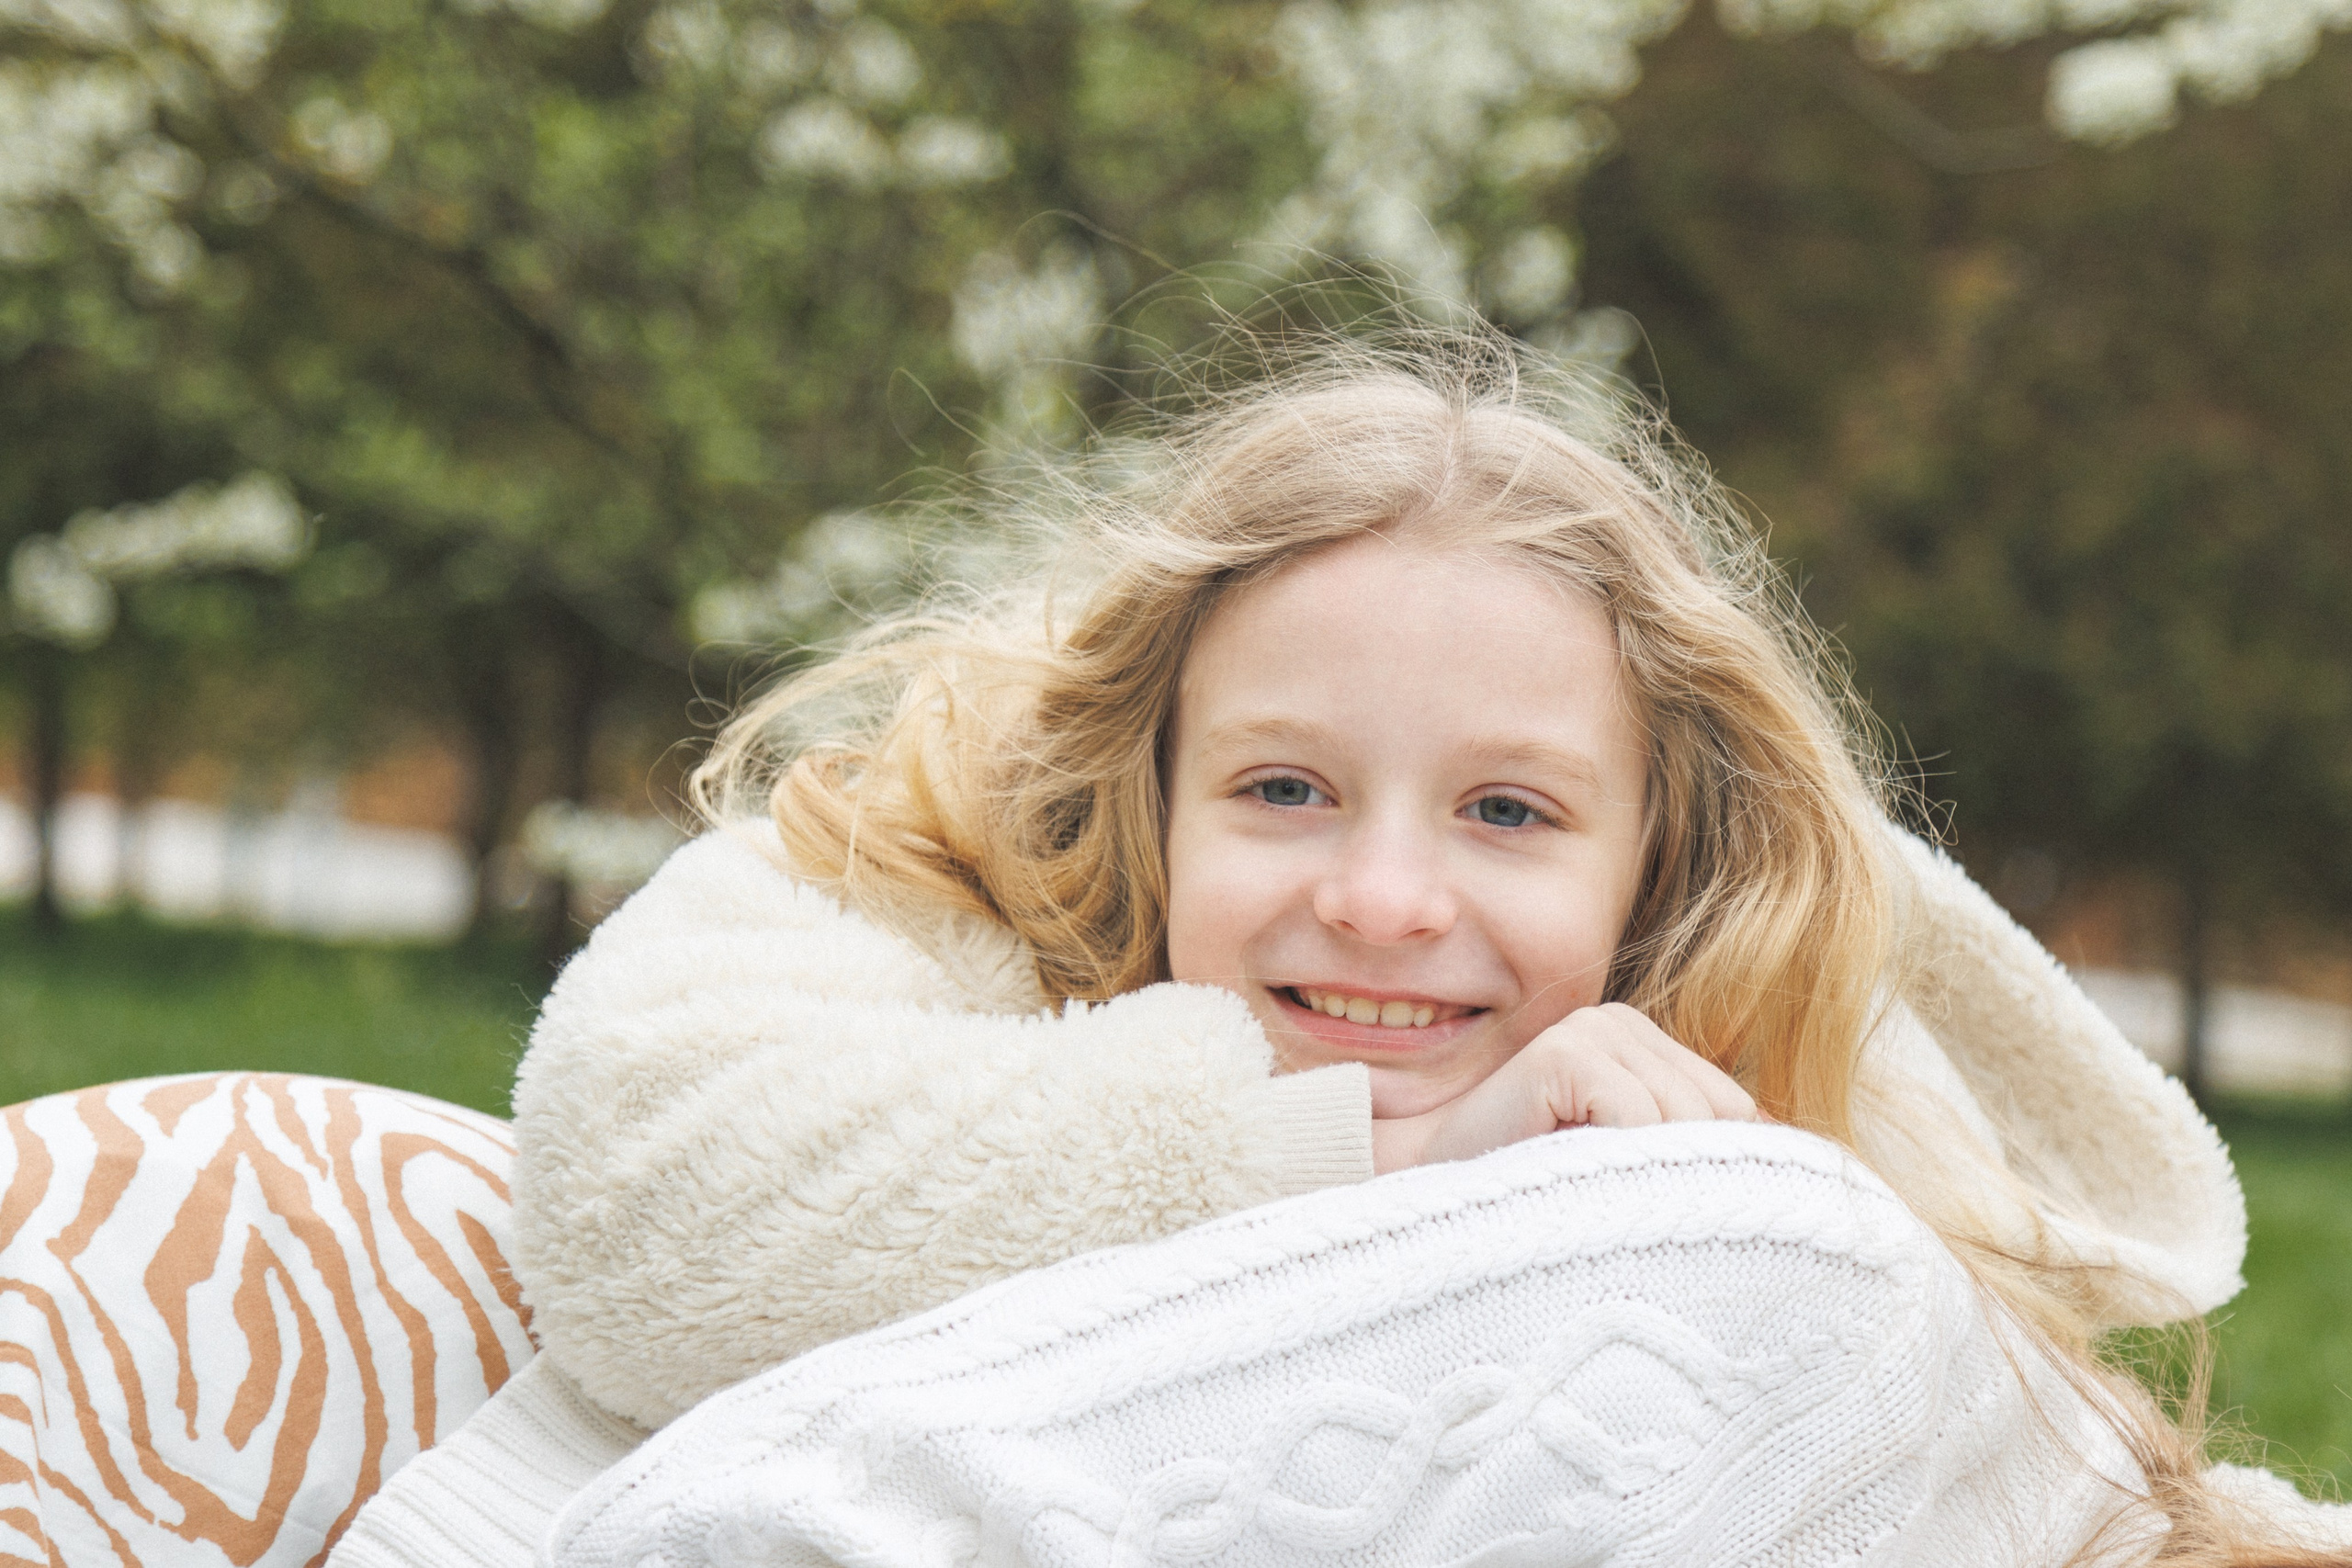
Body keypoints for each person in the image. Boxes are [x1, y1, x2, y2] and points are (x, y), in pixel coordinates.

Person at [338, 333, 2344, 1565]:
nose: (1383, 897)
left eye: (1504, 812)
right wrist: (1396, 1166)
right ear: (1150, 786)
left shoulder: (1703, 1107)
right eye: (1283, 789)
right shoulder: (946, 867)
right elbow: (647, 1196)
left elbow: (2005, 1475)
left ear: (1650, 870)